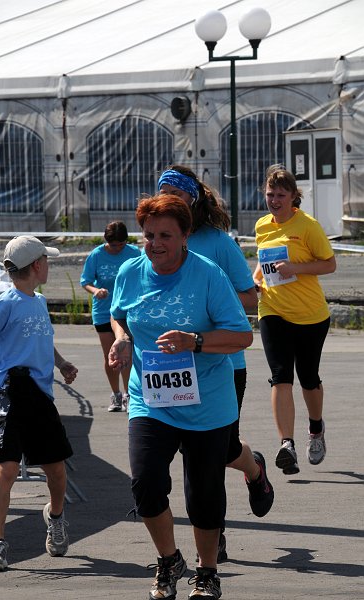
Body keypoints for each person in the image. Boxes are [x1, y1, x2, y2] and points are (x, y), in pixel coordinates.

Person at [109, 194, 253, 600]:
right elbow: (119, 314)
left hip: (206, 402)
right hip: (150, 399)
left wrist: (196, 340)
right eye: (149, 235)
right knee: (146, 484)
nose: (155, 244)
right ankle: (169, 560)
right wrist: (122, 340)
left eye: (165, 236)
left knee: (203, 495)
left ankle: (207, 572)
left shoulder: (208, 275)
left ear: (185, 235)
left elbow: (242, 335)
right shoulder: (131, 271)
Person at [157, 165, 274, 561]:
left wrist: (211, 294)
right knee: (190, 453)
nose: (169, 201)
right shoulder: (158, 241)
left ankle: (253, 470)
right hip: (169, 366)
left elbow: (250, 299)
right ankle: (214, 532)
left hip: (223, 361)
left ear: (192, 199)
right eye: (163, 193)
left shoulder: (218, 244)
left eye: (176, 194)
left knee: (216, 452)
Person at [0, 235, 78, 572]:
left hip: (40, 397)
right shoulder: (5, 304)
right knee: (7, 467)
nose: (49, 265)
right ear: (37, 265)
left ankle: (55, 516)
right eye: (47, 260)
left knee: (56, 471)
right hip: (8, 395)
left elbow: (44, 341)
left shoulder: (40, 302)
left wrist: (61, 364)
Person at [253, 165, 336, 475]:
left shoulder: (308, 226)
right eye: (270, 194)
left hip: (311, 316)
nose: (274, 200)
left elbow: (329, 264)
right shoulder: (262, 225)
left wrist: (296, 268)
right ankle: (286, 444)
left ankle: (315, 430)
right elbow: (262, 262)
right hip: (273, 310)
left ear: (293, 196)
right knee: (280, 375)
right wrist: (256, 280)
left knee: (308, 378)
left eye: (280, 195)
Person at [80, 221, 140, 412]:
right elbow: (85, 281)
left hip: (126, 311)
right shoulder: (97, 255)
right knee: (110, 356)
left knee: (127, 354)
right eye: (114, 245)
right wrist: (96, 290)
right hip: (104, 311)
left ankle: (129, 394)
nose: (118, 249)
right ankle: (116, 394)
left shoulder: (135, 253)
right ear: (107, 242)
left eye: (121, 244)